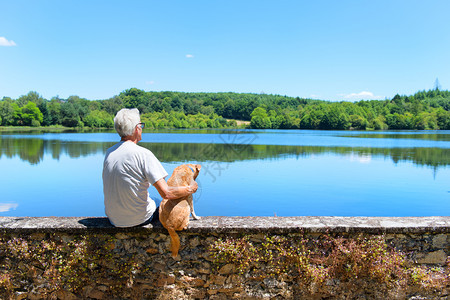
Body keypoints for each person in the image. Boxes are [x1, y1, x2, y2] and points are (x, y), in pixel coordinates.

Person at [103, 108, 198, 227]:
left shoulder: (109, 152)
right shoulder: (143, 154)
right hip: (138, 219)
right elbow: (166, 193)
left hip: (113, 219)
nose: (142, 129)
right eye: (141, 125)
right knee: (163, 202)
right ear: (137, 128)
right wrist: (190, 189)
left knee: (150, 198)